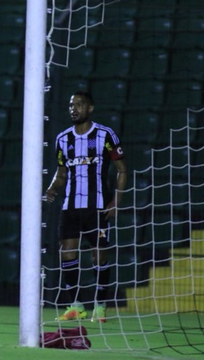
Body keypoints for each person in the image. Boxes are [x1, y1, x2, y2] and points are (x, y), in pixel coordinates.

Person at [44, 91, 127, 323]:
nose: (74, 109)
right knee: (67, 252)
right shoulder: (63, 139)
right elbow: (61, 173)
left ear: (90, 108)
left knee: (98, 255)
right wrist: (52, 188)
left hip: (98, 207)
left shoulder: (105, 134)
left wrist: (117, 200)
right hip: (71, 206)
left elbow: (122, 169)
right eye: (71, 105)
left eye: (79, 104)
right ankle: (76, 306)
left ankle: (100, 307)